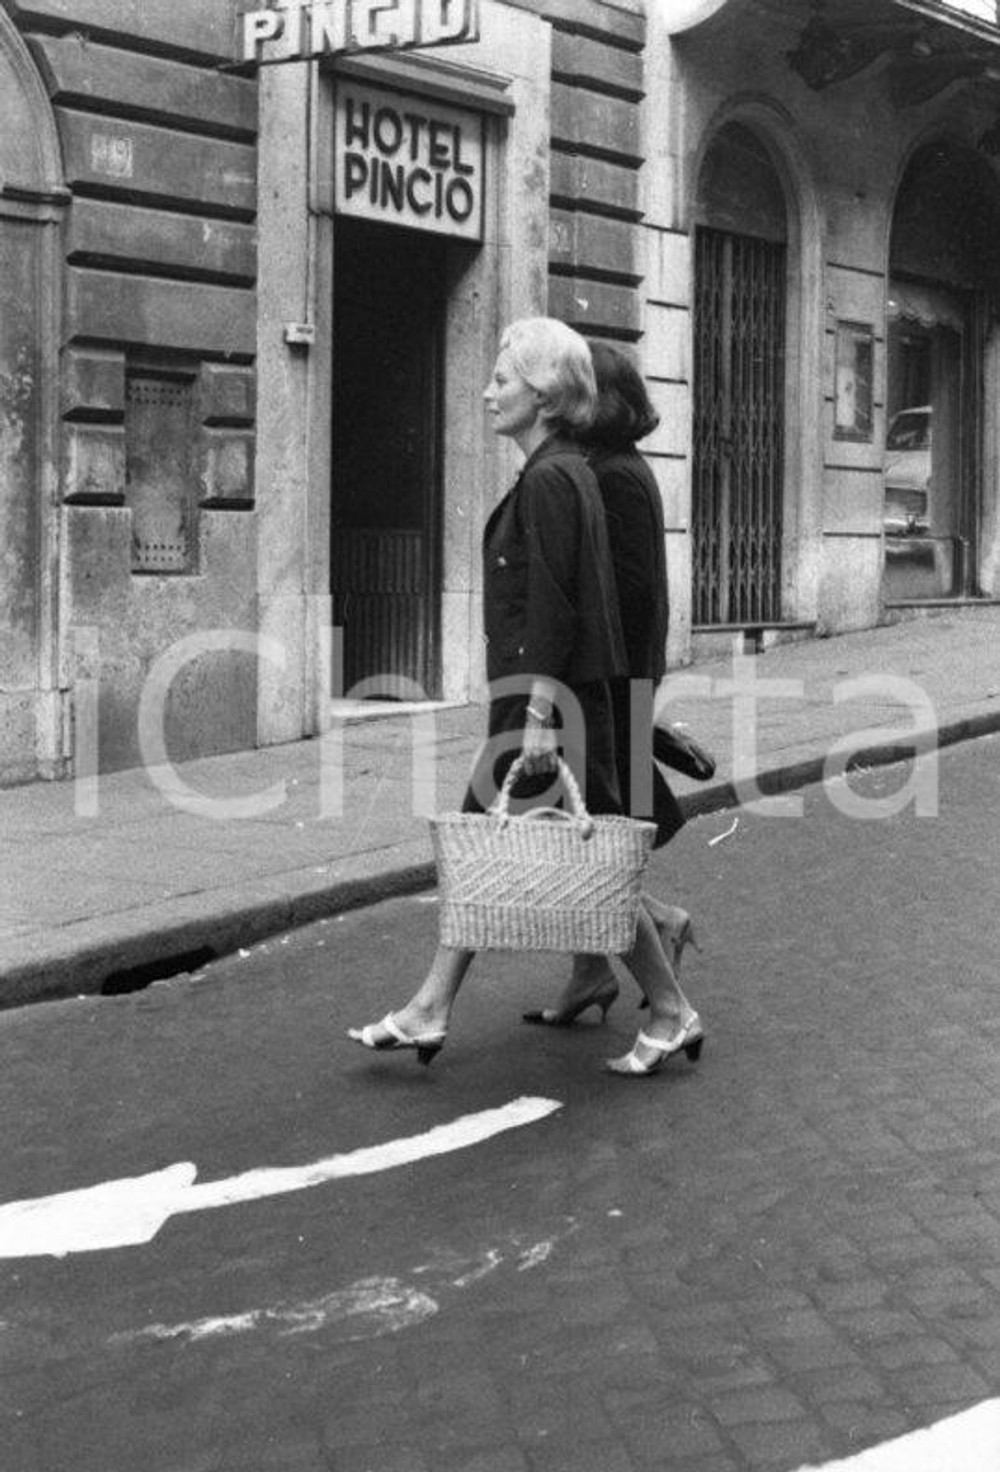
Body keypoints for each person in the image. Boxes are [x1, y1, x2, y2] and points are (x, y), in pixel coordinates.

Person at [347, 316, 702, 1077]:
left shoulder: (550, 478)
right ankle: (435, 1006)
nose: (486, 392)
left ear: (542, 395)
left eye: (502, 379)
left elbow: (555, 606)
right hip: (556, 702)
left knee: (524, 855)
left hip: (546, 707)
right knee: (576, 857)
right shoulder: (566, 468)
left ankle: (666, 1008)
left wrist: (538, 716)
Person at [522, 340, 700, 1034]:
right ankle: (597, 965)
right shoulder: (608, 468)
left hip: (613, 678)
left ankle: (644, 946)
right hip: (616, 676)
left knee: (592, 828)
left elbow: (626, 594)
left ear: (605, 398)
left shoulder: (615, 476)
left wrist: (613, 692)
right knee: (583, 823)